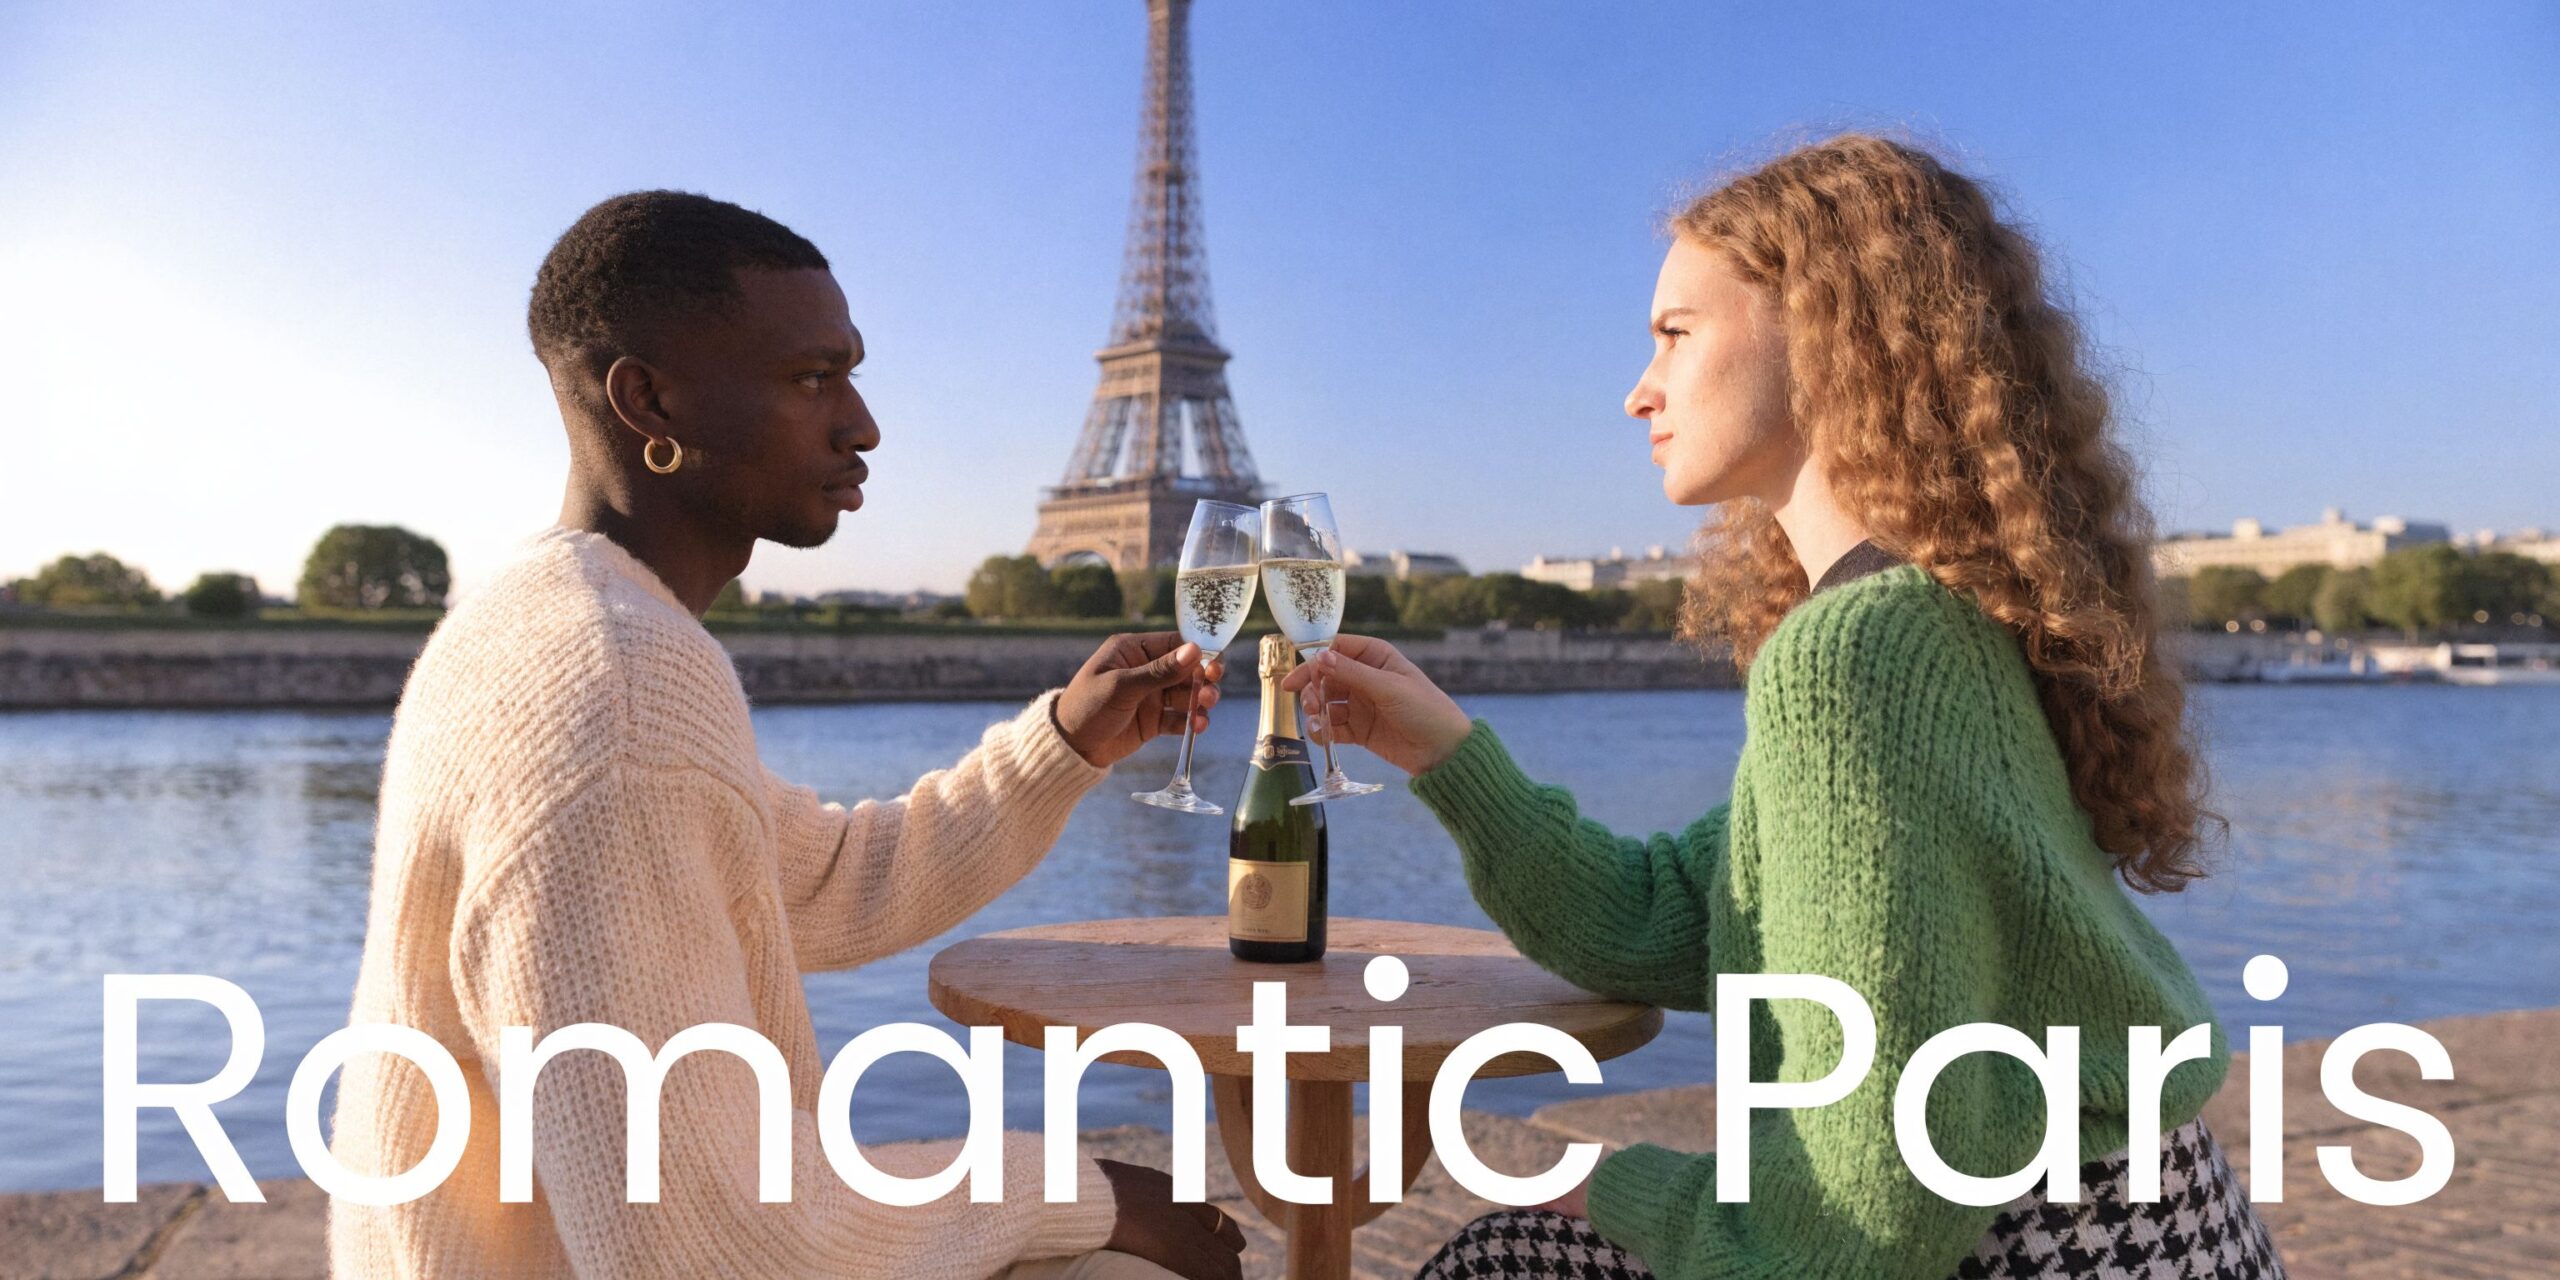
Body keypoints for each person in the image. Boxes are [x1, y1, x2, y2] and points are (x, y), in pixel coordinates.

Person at [1285, 135, 2287, 1279]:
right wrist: (1448, 753)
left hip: (2024, 1248)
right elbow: (1675, 917)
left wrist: (1607, 1182)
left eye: (1674, 332)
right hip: (2150, 1232)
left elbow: (1848, 1226)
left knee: (1504, 1255)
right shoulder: (1937, 622)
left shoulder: (1858, 655)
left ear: (1829, 332)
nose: (1637, 390)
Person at [326, 190, 1246, 1280]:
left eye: (851, 372)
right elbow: (714, 1249)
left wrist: (1062, 743)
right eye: (811, 378)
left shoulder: (534, 617)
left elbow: (823, 882)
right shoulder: (618, 683)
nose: (861, 422)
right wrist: (1087, 1193)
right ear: (649, 400)